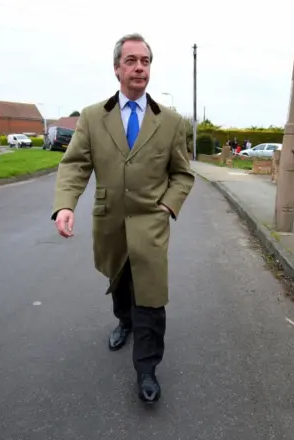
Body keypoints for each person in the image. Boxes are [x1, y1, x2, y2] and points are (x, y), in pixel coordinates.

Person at [51, 33, 194, 403]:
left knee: (150, 296)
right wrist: (66, 204)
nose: (139, 67)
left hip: (151, 223)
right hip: (109, 221)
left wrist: (167, 205)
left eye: (145, 61)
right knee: (119, 284)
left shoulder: (171, 121)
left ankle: (146, 369)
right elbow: (76, 164)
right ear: (117, 68)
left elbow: (183, 174)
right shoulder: (93, 117)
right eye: (131, 61)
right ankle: (124, 320)